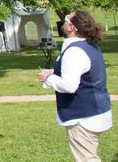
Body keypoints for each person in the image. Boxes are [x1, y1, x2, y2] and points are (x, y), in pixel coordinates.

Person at [39, 10, 112, 162]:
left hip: (84, 116)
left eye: (66, 20)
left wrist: (49, 77)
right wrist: (55, 71)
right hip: (96, 111)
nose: (63, 23)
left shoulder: (75, 51)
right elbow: (84, 71)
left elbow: (69, 86)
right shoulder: (88, 45)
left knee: (87, 159)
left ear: (72, 28)